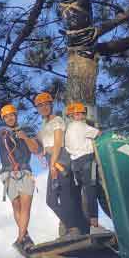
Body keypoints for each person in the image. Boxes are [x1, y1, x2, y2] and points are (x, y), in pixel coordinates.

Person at [0, 104, 40, 255]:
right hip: (7, 173)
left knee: (25, 207)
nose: (10, 118)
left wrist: (24, 137)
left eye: (12, 115)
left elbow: (35, 149)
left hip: (24, 171)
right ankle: (26, 238)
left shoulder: (27, 130)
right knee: (16, 207)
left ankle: (20, 238)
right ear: (3, 119)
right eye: (7, 116)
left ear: (16, 116)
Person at [35, 92, 86, 238]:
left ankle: (74, 230)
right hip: (54, 159)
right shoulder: (44, 125)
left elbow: (58, 143)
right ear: (37, 108)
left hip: (61, 159)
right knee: (51, 200)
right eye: (40, 105)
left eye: (46, 104)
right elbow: (40, 141)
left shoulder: (57, 120)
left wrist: (52, 164)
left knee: (65, 196)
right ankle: (75, 227)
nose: (44, 107)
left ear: (51, 105)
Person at [65, 102, 108, 233]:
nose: (81, 116)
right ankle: (94, 225)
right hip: (87, 161)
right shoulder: (82, 126)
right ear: (73, 115)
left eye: (82, 113)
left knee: (87, 191)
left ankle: (89, 223)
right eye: (78, 114)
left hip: (76, 165)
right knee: (91, 192)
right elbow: (99, 134)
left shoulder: (68, 129)